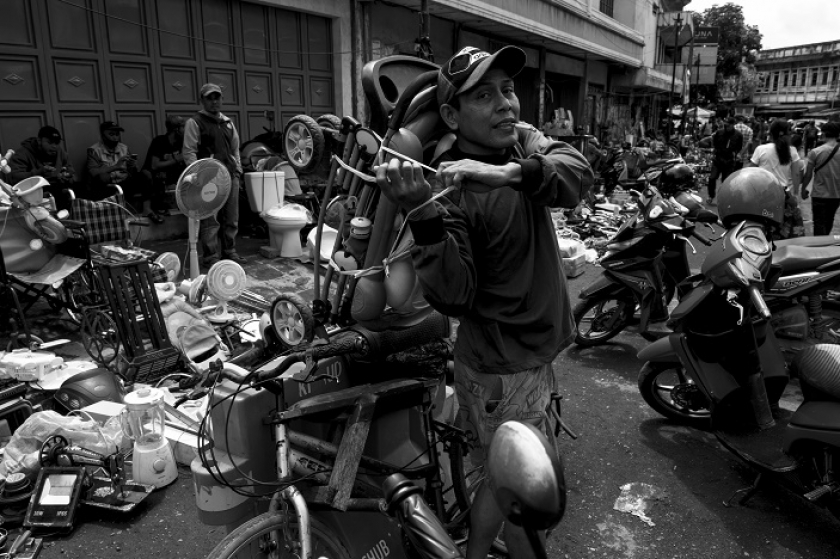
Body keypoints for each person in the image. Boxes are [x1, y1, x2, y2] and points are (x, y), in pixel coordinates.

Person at [374, 45, 594, 559]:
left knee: (499, 479)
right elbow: (454, 295)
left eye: (508, 90)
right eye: (483, 95)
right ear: (452, 115)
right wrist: (423, 216)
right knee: (526, 504)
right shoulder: (450, 187)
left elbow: (576, 172)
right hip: (502, 367)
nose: (506, 105)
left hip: (525, 356)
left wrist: (511, 174)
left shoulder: (522, 147)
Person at [182, 83, 245, 265]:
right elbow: (189, 151)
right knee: (210, 218)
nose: (214, 101)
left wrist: (238, 169)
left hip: (229, 174)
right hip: (207, 177)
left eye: (217, 97)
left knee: (231, 216)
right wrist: (196, 175)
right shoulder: (194, 122)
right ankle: (211, 256)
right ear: (202, 100)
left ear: (221, 99)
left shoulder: (227, 122)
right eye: (209, 98)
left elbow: (235, 149)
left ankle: (230, 251)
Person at [86, 121, 158, 220]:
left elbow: (132, 172)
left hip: (124, 183)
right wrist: (115, 166)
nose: (115, 138)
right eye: (111, 134)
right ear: (103, 135)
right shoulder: (94, 150)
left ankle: (147, 209)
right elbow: (93, 172)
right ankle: (109, 212)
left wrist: (132, 166)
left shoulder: (124, 148)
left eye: (117, 134)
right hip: (107, 186)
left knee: (146, 174)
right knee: (102, 177)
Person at [748, 120, 803, 239]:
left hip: (761, 193)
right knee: (780, 225)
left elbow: (750, 171)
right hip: (783, 195)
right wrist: (796, 195)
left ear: (771, 133)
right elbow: (796, 175)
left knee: (761, 222)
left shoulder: (761, 149)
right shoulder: (792, 151)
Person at [7, 125, 76, 209]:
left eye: (57, 143)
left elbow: (70, 169)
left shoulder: (60, 152)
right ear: (39, 140)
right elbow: (14, 177)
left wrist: (66, 175)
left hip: (58, 190)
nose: (54, 146)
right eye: (50, 142)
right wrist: (39, 172)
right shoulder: (23, 153)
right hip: (34, 195)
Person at [143, 115, 187, 215]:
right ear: (176, 129)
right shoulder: (159, 141)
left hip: (171, 175)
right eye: (183, 127)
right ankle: (150, 208)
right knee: (150, 176)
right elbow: (154, 165)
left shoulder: (181, 142)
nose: (185, 130)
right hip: (155, 175)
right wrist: (177, 159)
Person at [803, 121, 840, 235]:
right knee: (829, 221)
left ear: (823, 134)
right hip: (836, 194)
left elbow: (808, 175)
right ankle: (825, 246)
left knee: (819, 223)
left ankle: (818, 249)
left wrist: (803, 189)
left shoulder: (815, 152)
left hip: (819, 194)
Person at [707, 117, 743, 205]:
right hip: (718, 159)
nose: (726, 127)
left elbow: (739, 147)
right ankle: (711, 196)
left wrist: (735, 153)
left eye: (728, 125)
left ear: (733, 125)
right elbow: (714, 142)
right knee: (712, 178)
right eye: (725, 125)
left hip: (729, 160)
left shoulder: (738, 135)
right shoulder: (719, 132)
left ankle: (724, 198)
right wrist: (716, 150)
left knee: (726, 181)